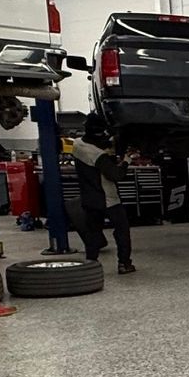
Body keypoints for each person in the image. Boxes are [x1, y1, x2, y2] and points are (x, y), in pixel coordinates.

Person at [72, 116, 134, 273]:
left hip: (88, 198)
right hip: (107, 198)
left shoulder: (77, 144)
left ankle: (90, 264)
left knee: (93, 232)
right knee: (122, 229)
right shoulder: (97, 155)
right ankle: (124, 264)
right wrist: (127, 160)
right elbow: (116, 175)